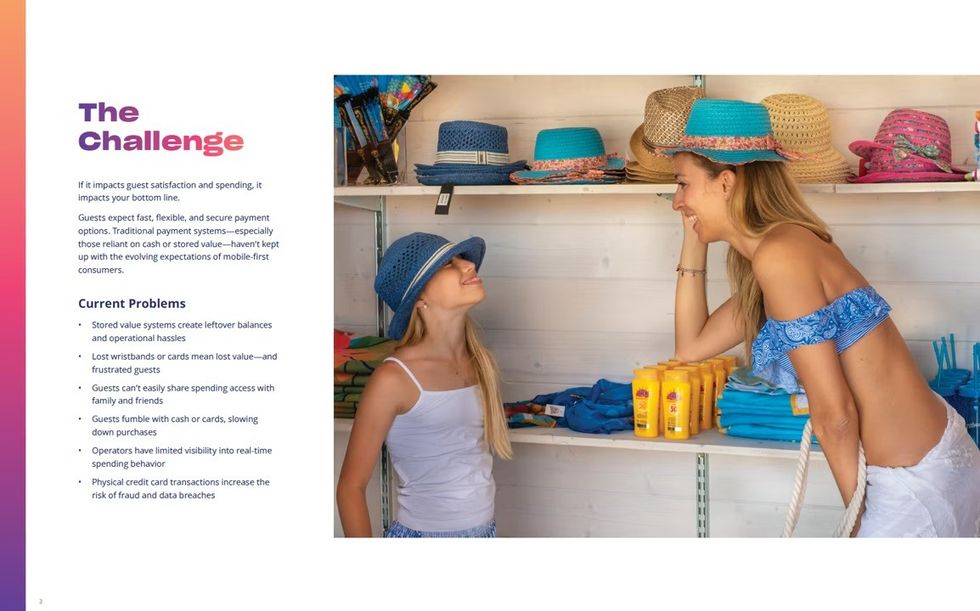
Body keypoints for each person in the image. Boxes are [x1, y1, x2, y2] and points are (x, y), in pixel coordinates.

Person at [665, 98, 980, 536]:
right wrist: (694, 233)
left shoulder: (781, 257)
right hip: (930, 459)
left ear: (726, 183)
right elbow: (690, 346)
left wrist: (855, 521)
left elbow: (836, 414)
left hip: (914, 482)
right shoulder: (780, 251)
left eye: (683, 184)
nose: (676, 201)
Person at [337, 232, 512, 537]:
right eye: (448, 265)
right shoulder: (395, 379)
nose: (468, 266)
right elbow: (350, 488)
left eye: (462, 259)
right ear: (419, 297)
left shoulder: (480, 364)